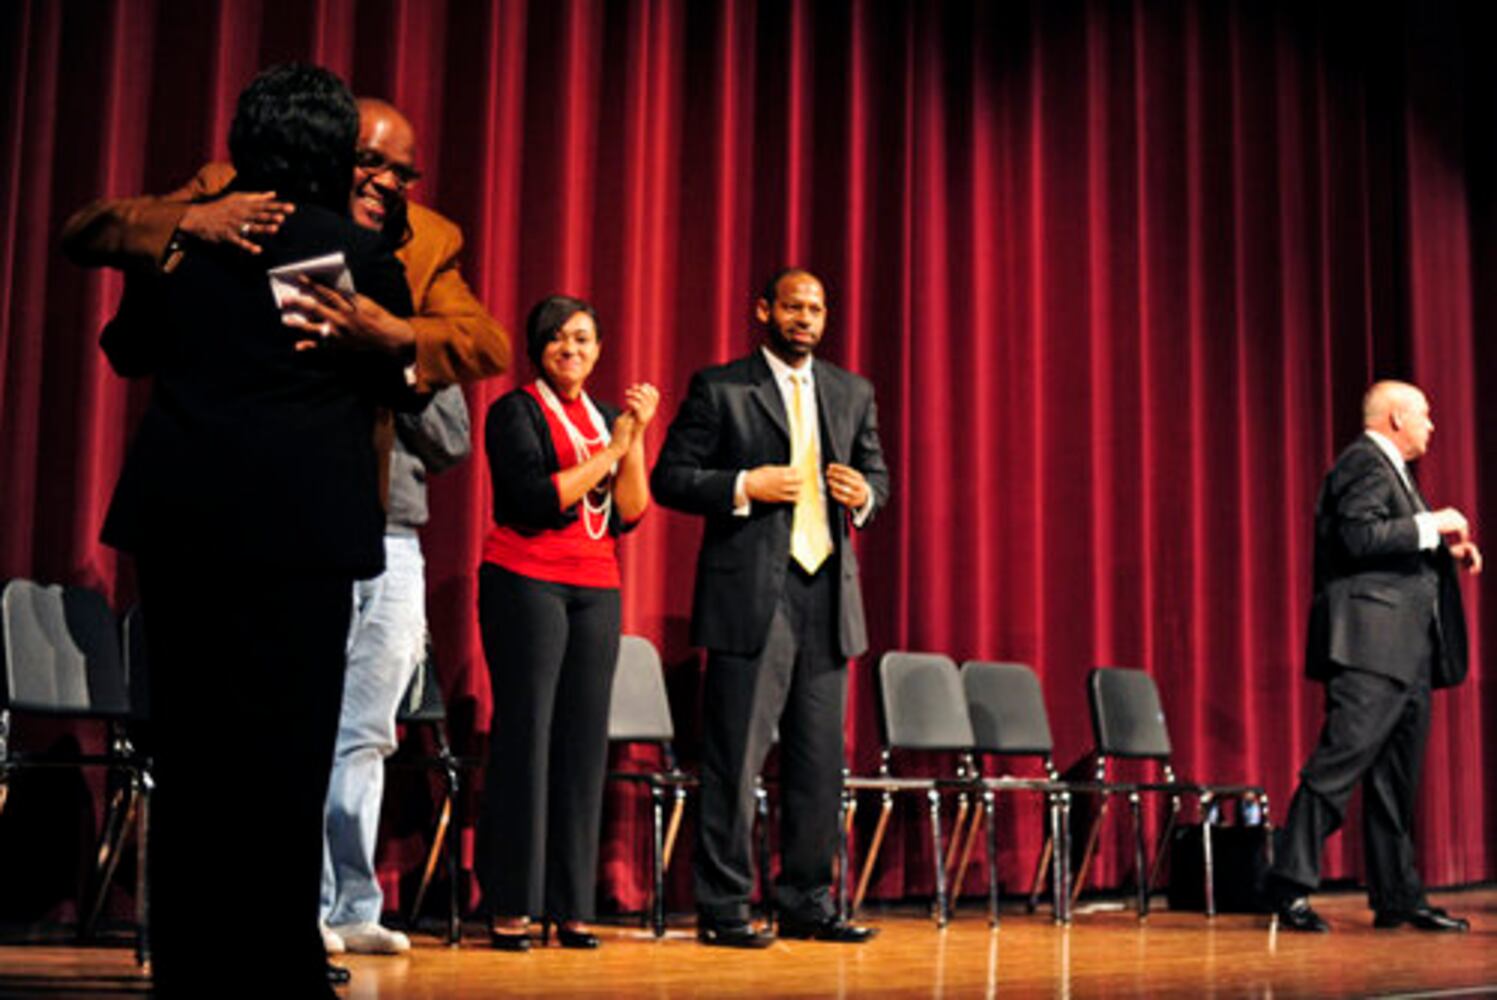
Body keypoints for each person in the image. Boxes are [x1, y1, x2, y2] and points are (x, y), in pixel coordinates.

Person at [62, 99, 512, 960]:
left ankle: (296, 926)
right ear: (333, 155)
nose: (392, 186)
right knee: (236, 742)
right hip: (252, 512)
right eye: (375, 166)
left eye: (406, 174)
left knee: (316, 737)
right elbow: (94, 234)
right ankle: (240, 943)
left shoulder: (412, 244)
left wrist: (395, 336)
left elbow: (478, 341)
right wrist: (191, 221)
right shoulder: (234, 202)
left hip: (336, 511)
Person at [92, 64, 419, 996]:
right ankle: (276, 964)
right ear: (332, 154)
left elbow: (127, 351)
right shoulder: (344, 250)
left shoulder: (188, 241)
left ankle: (189, 963)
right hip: (298, 530)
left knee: (189, 752)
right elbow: (396, 381)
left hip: (185, 522)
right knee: (284, 753)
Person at [651, 268, 890, 947]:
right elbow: (671, 476)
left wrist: (862, 494)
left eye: (816, 307)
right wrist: (742, 483)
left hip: (827, 595)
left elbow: (878, 475)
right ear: (764, 311)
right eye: (793, 306)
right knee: (736, 758)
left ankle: (807, 903)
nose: (805, 317)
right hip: (751, 596)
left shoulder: (851, 391)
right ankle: (724, 908)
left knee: (818, 762)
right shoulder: (721, 387)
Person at [475, 295, 658, 950]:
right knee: (526, 738)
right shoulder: (514, 412)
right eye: (556, 339)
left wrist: (633, 440)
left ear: (599, 350)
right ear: (538, 349)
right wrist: (611, 452)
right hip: (524, 580)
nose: (570, 350)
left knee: (583, 746)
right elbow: (534, 498)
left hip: (595, 587)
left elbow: (631, 512)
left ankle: (571, 906)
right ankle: (511, 905)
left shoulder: (608, 419)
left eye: (582, 339)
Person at [1265, 380, 1481, 933]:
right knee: (1338, 766)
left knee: (1395, 783)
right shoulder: (1362, 463)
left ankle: (1398, 897)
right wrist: (1433, 524)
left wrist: (1443, 553)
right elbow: (1358, 539)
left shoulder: (1396, 472)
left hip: (1407, 653)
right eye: (1424, 416)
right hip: (1368, 648)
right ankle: (1288, 885)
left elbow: (1389, 549)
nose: (1432, 426)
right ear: (1394, 419)